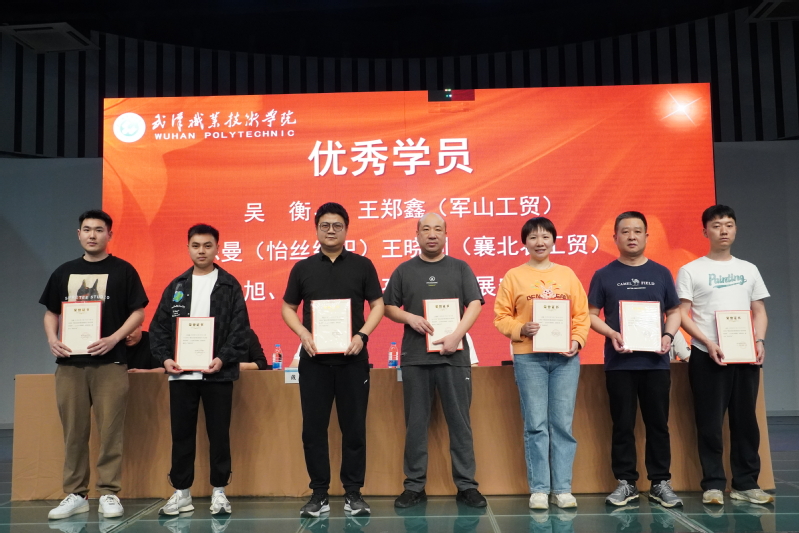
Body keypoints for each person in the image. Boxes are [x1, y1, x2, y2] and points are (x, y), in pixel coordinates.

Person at [39, 210, 148, 520]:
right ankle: (76, 494)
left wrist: (114, 338)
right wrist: (52, 339)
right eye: (86, 229)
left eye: (99, 230)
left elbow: (138, 313)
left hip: (111, 363)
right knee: (74, 431)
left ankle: (109, 492)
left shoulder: (124, 270)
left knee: (111, 431)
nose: (92, 235)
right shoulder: (64, 272)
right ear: (78, 234)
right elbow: (51, 313)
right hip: (70, 364)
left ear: (109, 235)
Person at [281, 202, 384, 518]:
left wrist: (362, 335)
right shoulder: (303, 268)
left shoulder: (363, 265)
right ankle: (319, 494)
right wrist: (302, 332)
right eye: (324, 225)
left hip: (353, 360)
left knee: (354, 429)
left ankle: (353, 494)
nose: (330, 230)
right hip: (314, 361)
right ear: (316, 229)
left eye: (337, 225)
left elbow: (378, 305)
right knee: (313, 430)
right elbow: (288, 308)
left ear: (346, 230)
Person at [383, 213, 487, 509]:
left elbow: (475, 304)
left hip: (455, 357)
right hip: (416, 359)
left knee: (460, 424)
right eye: (426, 229)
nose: (432, 234)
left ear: (445, 235)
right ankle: (414, 486)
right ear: (417, 235)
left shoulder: (460, 267)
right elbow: (388, 306)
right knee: (415, 425)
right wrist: (409, 317)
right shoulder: (404, 270)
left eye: (438, 229)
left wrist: (457, 335)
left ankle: (467, 486)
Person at [150, 224, 250, 516]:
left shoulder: (229, 285)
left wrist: (222, 358)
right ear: (188, 248)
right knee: (181, 434)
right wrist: (165, 359)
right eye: (196, 246)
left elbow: (240, 330)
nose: (202, 251)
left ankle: (219, 491)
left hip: (218, 374)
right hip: (181, 374)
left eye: (208, 245)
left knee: (219, 434)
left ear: (217, 248)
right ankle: (182, 492)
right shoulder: (177, 286)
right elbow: (158, 329)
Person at [676, 205, 773, 506]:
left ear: (735, 229)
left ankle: (746, 483)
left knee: (746, 422)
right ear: (705, 231)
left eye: (729, 225)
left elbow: (759, 311)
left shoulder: (749, 269)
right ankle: (713, 484)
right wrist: (706, 341)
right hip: (707, 355)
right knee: (709, 423)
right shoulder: (691, 269)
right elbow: (681, 314)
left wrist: (759, 340)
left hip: (744, 354)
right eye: (717, 225)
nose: (723, 230)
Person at [587, 211, 683, 507]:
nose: (632, 236)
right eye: (626, 231)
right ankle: (626, 482)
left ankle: (660, 482)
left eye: (637, 231)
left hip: (656, 363)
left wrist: (668, 336)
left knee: (658, 424)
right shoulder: (603, 274)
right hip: (620, 363)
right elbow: (591, 315)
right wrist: (612, 333)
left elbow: (674, 311)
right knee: (622, 424)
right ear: (615, 237)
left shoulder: (661, 272)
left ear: (646, 236)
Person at [493, 217, 589, 510]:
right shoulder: (513, 276)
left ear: (553, 241)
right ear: (524, 242)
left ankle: (562, 489)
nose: (540, 242)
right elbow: (501, 317)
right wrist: (521, 328)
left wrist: (576, 340)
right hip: (529, 358)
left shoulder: (567, 275)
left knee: (562, 425)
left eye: (545, 236)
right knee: (536, 424)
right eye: (533, 237)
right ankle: (539, 489)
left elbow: (581, 315)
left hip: (564, 359)